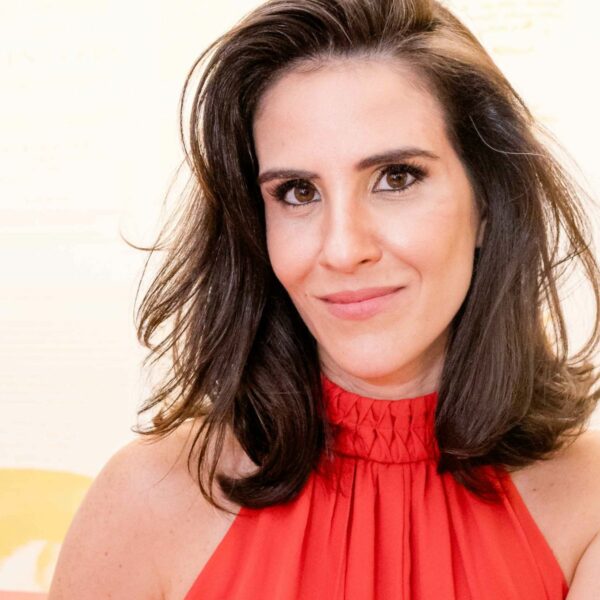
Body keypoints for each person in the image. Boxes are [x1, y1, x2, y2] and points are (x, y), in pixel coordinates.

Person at [48, 0, 600, 598]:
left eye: (396, 177)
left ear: (488, 203)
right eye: (298, 191)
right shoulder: (146, 502)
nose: (342, 249)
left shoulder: (588, 507)